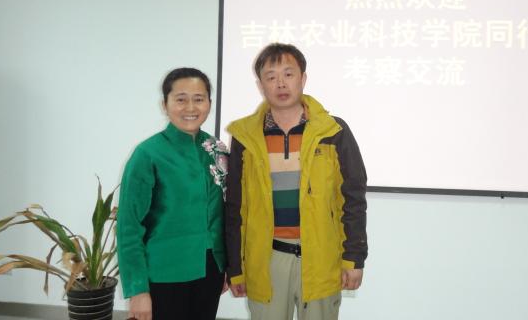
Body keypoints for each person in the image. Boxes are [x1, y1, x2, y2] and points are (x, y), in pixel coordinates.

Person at [225, 43, 368, 320]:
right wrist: (236, 268)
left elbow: (352, 198)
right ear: (261, 85)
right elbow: (235, 207)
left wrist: (354, 257)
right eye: (271, 76)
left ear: (303, 79)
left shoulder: (333, 131)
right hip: (267, 259)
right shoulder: (245, 136)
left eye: (288, 74)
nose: (280, 83)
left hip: (321, 258)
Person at [117, 68, 227, 320]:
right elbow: (129, 226)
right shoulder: (147, 154)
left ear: (209, 103)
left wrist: (223, 266)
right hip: (164, 274)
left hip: (210, 271)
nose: (191, 107)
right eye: (181, 99)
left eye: (199, 99)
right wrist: (138, 290)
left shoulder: (216, 149)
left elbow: (222, 214)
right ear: (164, 104)